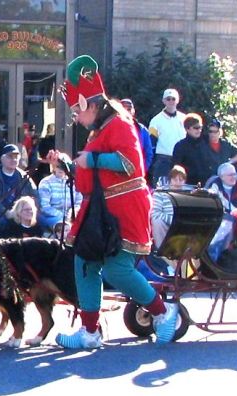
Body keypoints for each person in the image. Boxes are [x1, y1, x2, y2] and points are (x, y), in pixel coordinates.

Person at [55, 55, 179, 349]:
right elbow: (95, 172)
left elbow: (131, 164)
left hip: (122, 210)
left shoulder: (120, 125)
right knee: (85, 263)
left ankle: (164, 312)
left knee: (116, 269)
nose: (75, 117)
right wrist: (68, 165)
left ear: (91, 105)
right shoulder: (102, 128)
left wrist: (92, 158)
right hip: (102, 209)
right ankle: (89, 331)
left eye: (76, 110)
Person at [0, 144, 40, 238]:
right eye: (10, 157)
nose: (14, 160)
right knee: (2, 224)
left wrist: (24, 210)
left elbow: (35, 195)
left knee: (40, 221)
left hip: (20, 212)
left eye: (16, 157)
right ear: (2, 159)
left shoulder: (24, 177)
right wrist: (6, 212)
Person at [148, 88, 187, 183]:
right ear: (163, 101)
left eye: (173, 99)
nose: (171, 101)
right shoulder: (155, 120)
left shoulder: (184, 118)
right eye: (168, 99)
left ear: (177, 100)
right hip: (163, 160)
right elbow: (152, 144)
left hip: (182, 159)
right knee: (161, 189)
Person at [37, 157, 82, 233]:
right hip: (52, 216)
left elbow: (79, 202)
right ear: (53, 167)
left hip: (71, 215)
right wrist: (63, 216)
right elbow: (44, 207)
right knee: (63, 226)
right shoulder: (45, 182)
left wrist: (72, 213)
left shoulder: (74, 182)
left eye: (63, 167)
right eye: (58, 166)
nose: (60, 169)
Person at [151, 165, 190, 248]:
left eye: (181, 180)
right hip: (166, 225)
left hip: (184, 226)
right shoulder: (160, 192)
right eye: (175, 179)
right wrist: (173, 220)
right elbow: (155, 213)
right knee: (156, 221)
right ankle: (161, 250)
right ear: (170, 180)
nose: (178, 182)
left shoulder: (189, 194)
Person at [170, 115, 211, 186]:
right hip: (188, 186)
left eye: (200, 127)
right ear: (187, 129)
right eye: (196, 128)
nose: (199, 130)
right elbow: (176, 168)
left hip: (207, 185)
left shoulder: (206, 143)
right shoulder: (180, 146)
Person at [120, 98, 154, 172]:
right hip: (118, 174)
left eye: (129, 109)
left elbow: (148, 153)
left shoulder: (142, 130)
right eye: (123, 109)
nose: (126, 112)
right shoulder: (112, 129)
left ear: (133, 111)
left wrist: (142, 169)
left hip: (138, 174)